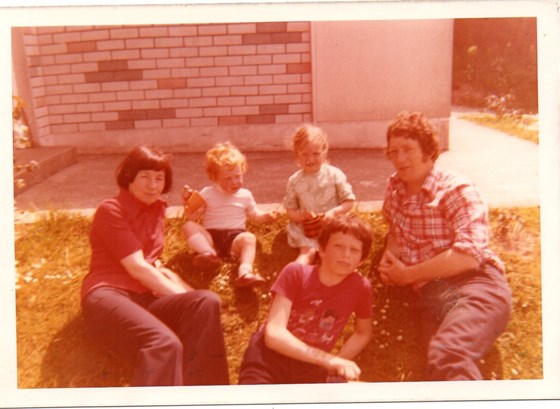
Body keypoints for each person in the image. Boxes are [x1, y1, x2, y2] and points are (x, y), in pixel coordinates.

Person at [377, 111, 513, 381]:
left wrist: (408, 275)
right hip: (435, 293)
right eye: (394, 152)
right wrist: (389, 257)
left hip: (476, 284)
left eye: (408, 149)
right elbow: (395, 229)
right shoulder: (394, 189)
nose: (400, 159)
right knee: (439, 367)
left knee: (448, 353)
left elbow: (468, 257)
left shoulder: (456, 190)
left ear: (428, 150)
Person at [80, 145, 230, 386]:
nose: (152, 185)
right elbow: (138, 267)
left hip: (145, 299)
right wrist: (182, 295)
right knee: (164, 344)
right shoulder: (111, 210)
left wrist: (191, 295)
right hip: (109, 295)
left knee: (206, 301)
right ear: (129, 177)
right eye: (145, 177)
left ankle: (205, 395)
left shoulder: (157, 210)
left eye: (159, 178)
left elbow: (154, 263)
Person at [238, 214, 373, 384]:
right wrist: (328, 360)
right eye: (338, 246)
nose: (346, 254)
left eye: (354, 250)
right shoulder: (296, 273)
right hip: (268, 359)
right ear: (322, 250)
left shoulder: (360, 287)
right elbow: (274, 334)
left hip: (311, 365)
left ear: (361, 259)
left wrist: (336, 362)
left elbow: (363, 333)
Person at [182, 141, 279, 288]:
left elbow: (254, 214)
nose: (234, 182)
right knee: (188, 226)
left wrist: (266, 216)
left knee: (249, 238)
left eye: (238, 176)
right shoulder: (207, 193)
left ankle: (245, 272)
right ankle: (208, 254)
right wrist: (188, 204)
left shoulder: (245, 195)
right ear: (214, 177)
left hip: (234, 240)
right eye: (228, 178)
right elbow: (193, 218)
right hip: (211, 239)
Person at [283, 124, 356, 264]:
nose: (310, 159)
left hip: (333, 226)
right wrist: (300, 217)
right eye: (304, 154)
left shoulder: (334, 174)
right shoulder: (295, 180)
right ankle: (296, 273)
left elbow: (349, 202)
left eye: (315, 153)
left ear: (324, 151)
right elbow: (290, 210)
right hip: (308, 229)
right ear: (297, 154)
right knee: (308, 251)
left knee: (333, 250)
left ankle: (334, 272)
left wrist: (334, 213)